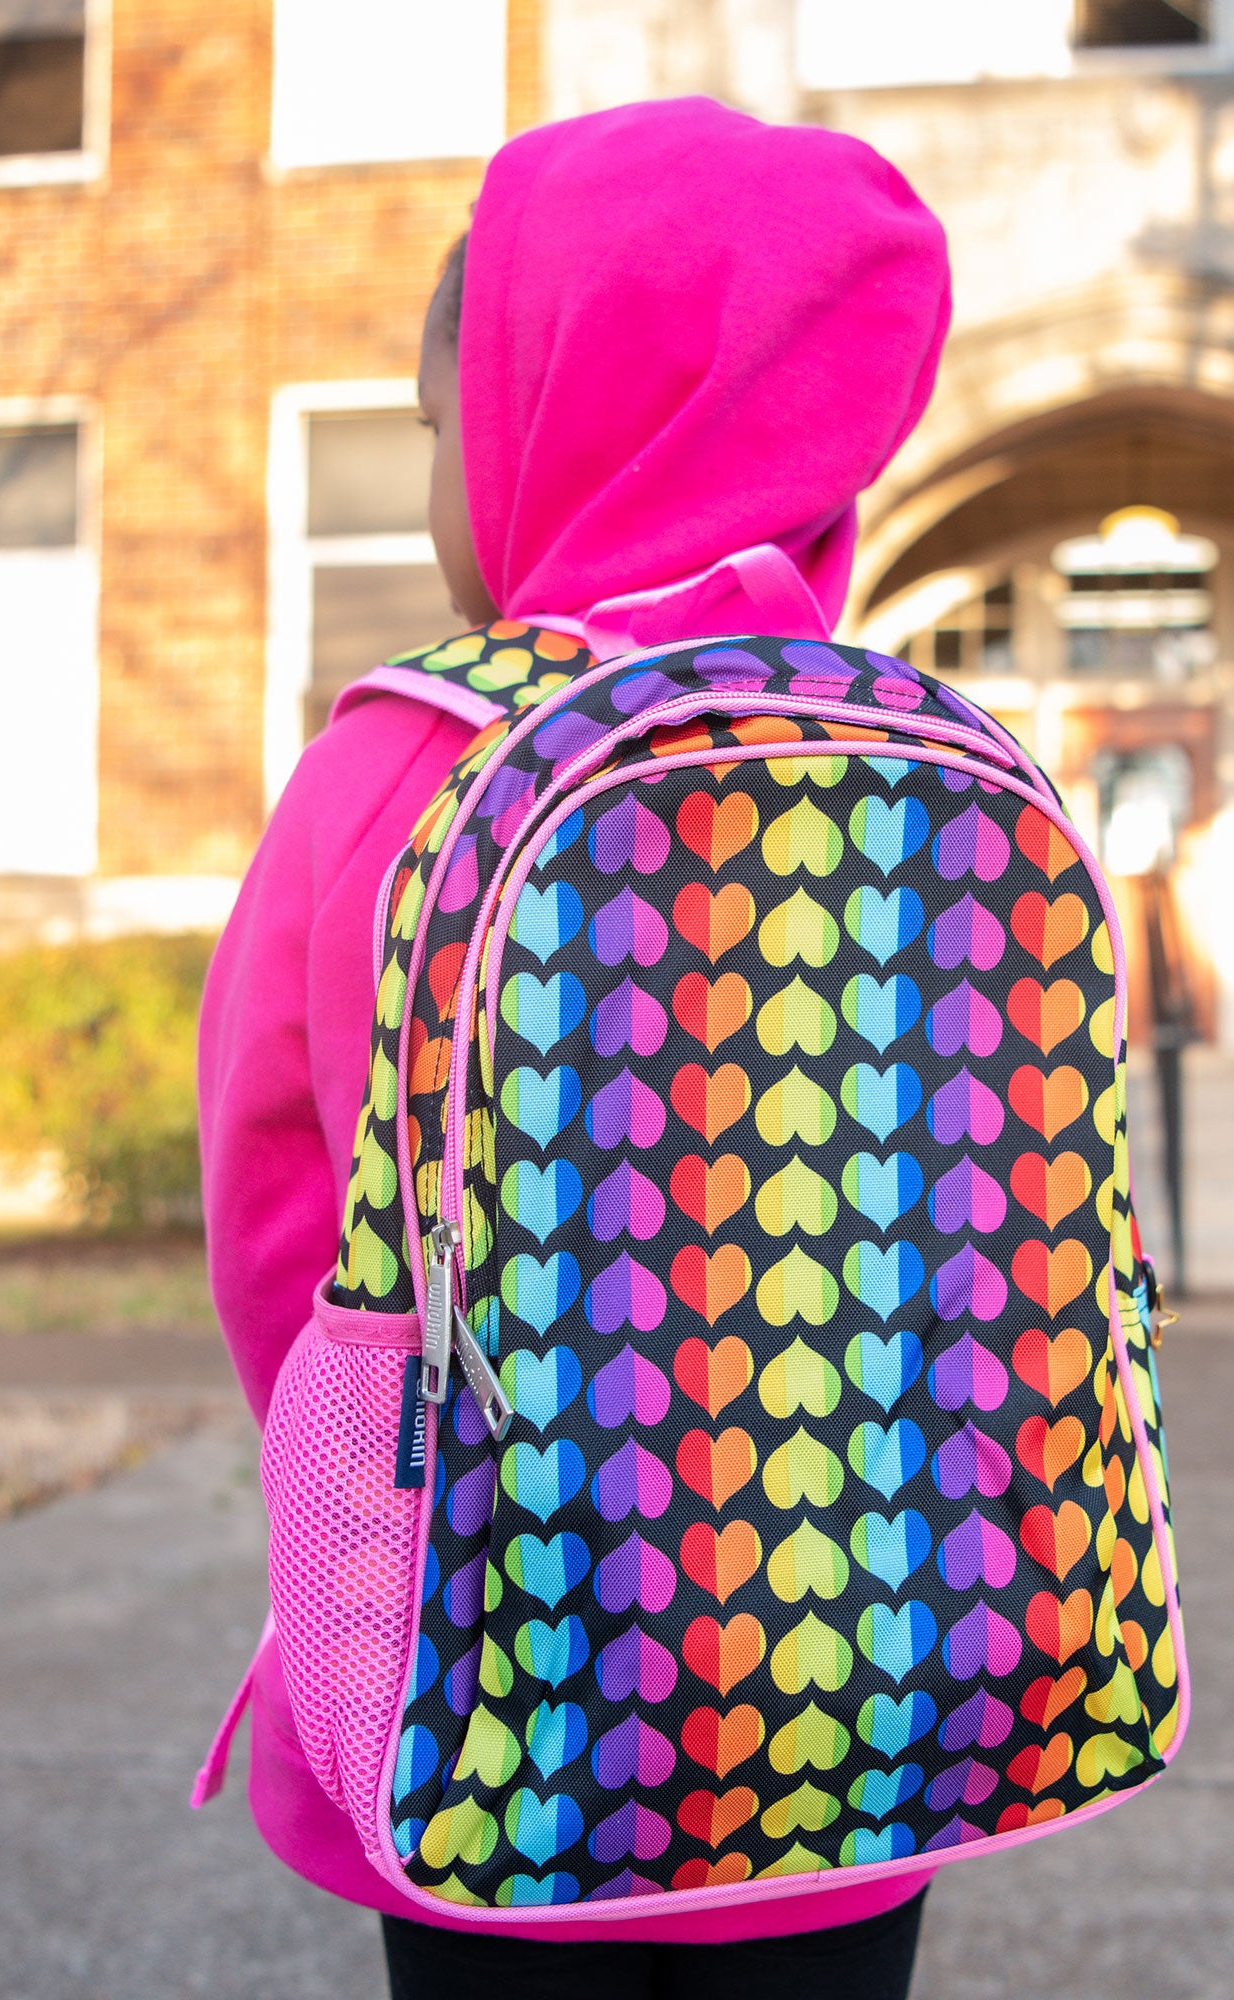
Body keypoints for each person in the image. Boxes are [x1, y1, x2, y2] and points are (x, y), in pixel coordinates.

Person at [199, 95, 952, 2000]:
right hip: (871, 1699)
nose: (436, 484)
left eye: (437, 431)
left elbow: (278, 1221)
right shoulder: (923, 761)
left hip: (493, 1710)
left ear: (543, 412)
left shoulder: (404, 760)